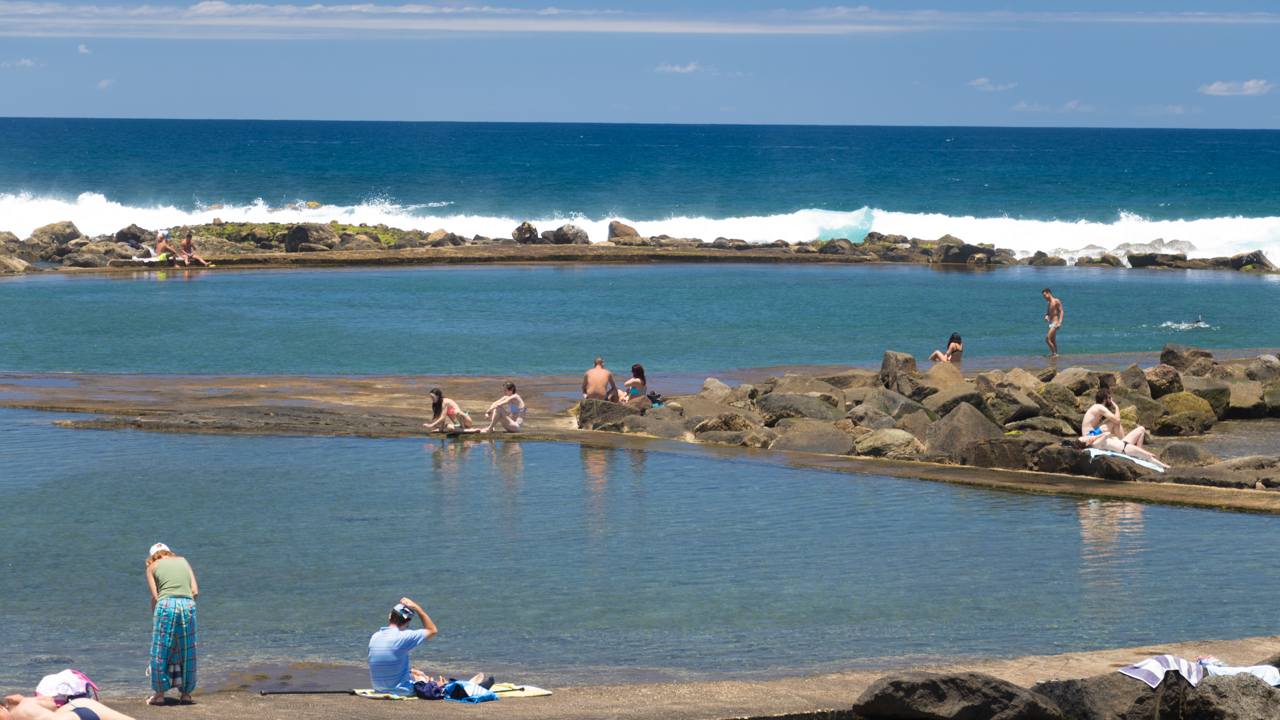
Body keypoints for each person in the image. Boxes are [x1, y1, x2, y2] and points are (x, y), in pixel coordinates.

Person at [145, 543, 199, 706]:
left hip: (166, 605)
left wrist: (156, 615)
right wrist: (185, 607)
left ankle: (159, 694)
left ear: (153, 556)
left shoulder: (152, 567)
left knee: (160, 650)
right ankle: (186, 694)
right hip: (188, 604)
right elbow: (195, 591)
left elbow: (156, 596)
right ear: (168, 552)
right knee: (187, 649)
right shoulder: (183, 561)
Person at [368, 597, 437, 696]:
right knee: (423, 678)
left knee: (413, 673)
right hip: (400, 691)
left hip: (378, 689)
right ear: (407, 622)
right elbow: (432, 630)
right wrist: (418, 608)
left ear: (390, 616)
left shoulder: (375, 636)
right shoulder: (403, 636)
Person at [1081, 385, 1149, 450]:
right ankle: (1124, 444)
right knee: (1114, 422)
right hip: (1090, 435)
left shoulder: (1096, 407)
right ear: (1105, 399)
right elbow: (1117, 420)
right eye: (1109, 398)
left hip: (1090, 434)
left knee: (1111, 424)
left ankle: (1123, 443)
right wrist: (1116, 407)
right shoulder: (1100, 407)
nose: (1111, 400)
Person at [2, 695, 134, 720]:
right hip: (80, 708)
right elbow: (52, 703)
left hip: (80, 709)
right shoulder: (26, 704)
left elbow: (52, 703)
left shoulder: (24, 706)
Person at [1042, 288, 1064, 357]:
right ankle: (1055, 354)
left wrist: (1060, 322)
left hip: (1055, 322)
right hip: (1051, 323)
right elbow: (1048, 313)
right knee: (1053, 340)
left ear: (1049, 293)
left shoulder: (1056, 301)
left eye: (1045, 295)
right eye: (1043, 296)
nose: (1044, 297)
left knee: (1047, 338)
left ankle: (1054, 353)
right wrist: (1046, 316)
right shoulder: (1049, 303)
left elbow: (1061, 311)